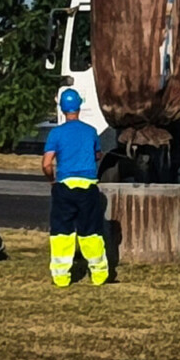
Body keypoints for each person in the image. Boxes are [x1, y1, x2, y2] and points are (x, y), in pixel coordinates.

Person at [42, 88, 109, 287]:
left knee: (62, 232)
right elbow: (97, 155)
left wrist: (52, 180)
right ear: (79, 106)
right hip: (88, 188)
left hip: (64, 187)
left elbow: (46, 164)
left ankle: (61, 277)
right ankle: (99, 275)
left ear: (62, 109)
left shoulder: (56, 133)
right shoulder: (91, 131)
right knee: (91, 231)